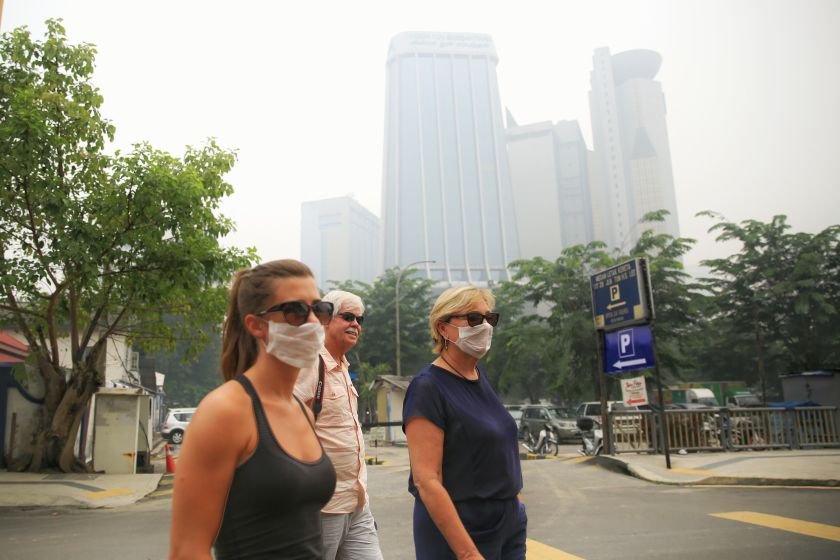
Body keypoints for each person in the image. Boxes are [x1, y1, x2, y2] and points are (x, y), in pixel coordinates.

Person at [169, 260, 337, 560]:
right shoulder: (227, 412)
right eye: (295, 311)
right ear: (256, 325)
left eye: (319, 309)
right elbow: (187, 550)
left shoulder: (302, 411)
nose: (312, 321)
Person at [403, 286, 526, 560]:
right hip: (460, 530)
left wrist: (516, 506)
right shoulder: (428, 387)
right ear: (443, 328)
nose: (483, 326)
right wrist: (468, 554)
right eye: (473, 319)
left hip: (507, 524)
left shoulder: (478, 377)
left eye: (489, 318)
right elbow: (427, 481)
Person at [294, 290, 384, 560]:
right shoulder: (309, 364)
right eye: (348, 317)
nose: (356, 324)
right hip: (322, 506)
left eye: (360, 319)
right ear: (324, 320)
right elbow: (281, 427)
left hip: (356, 502)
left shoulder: (343, 367)